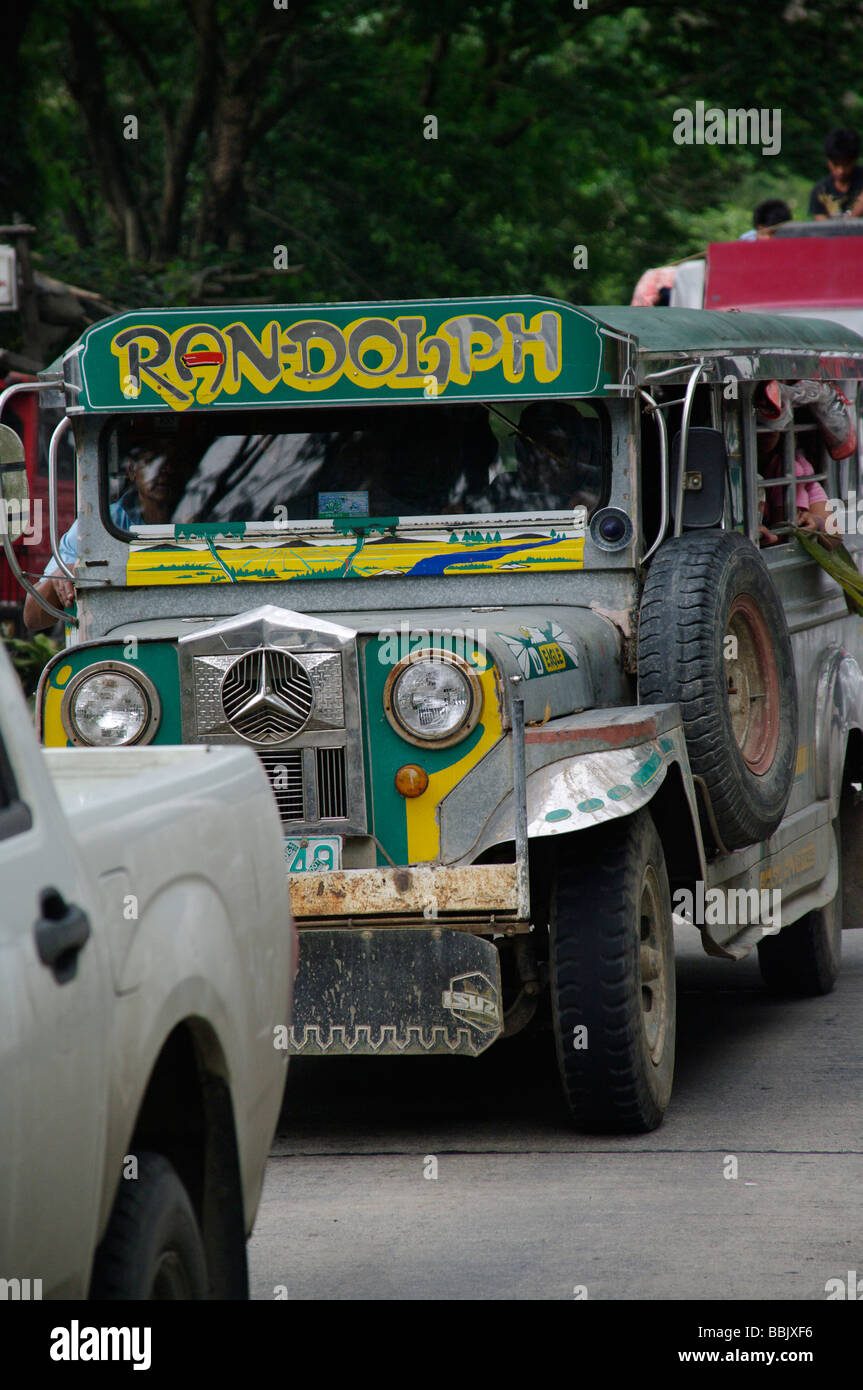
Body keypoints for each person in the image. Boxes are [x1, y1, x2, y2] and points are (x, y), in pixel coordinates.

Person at [23, 447, 189, 631]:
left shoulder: (214, 517)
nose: (164, 470)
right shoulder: (95, 525)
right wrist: (60, 576)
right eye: (152, 461)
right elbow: (32, 618)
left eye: (173, 462)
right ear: (132, 471)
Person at [809, 128, 863, 219]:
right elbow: (821, 227)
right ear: (828, 161)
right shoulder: (820, 191)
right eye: (835, 165)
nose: (840, 171)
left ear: (855, 160)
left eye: (846, 165)